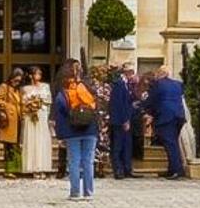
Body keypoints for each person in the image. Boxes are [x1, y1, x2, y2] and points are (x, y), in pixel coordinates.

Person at [54, 59, 100, 200]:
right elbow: (97, 105)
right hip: (90, 129)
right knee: (88, 161)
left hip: (72, 130)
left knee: (74, 161)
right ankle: (88, 193)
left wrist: (60, 134)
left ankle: (75, 193)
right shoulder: (88, 87)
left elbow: (59, 112)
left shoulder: (64, 92)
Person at [146, 66, 189, 179]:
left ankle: (177, 171)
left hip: (166, 117)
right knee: (173, 142)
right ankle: (172, 169)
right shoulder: (178, 84)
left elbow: (152, 100)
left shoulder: (158, 84)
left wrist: (145, 110)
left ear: (160, 74)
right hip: (179, 116)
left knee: (170, 144)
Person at [19, 66, 54, 176]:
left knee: (42, 140)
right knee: (32, 140)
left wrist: (40, 103)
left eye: (40, 74)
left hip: (42, 115)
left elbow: (49, 101)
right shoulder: (25, 88)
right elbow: (23, 102)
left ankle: (42, 167)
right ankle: (33, 167)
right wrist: (30, 106)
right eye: (36, 74)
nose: (39, 76)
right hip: (30, 116)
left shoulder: (45, 86)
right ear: (31, 75)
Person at [107, 64, 138, 179]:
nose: (133, 75)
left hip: (125, 119)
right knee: (118, 146)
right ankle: (118, 170)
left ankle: (127, 169)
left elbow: (127, 101)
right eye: (132, 72)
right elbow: (119, 104)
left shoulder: (126, 85)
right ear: (127, 72)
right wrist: (125, 120)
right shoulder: (119, 84)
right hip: (120, 121)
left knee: (127, 146)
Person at [0, 70, 24, 174]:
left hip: (17, 120)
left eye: (19, 81)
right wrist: (7, 106)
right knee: (9, 146)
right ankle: (8, 170)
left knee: (15, 145)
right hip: (9, 121)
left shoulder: (17, 90)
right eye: (16, 80)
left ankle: (16, 168)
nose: (17, 82)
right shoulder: (4, 87)